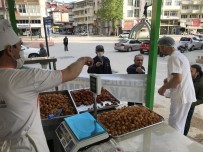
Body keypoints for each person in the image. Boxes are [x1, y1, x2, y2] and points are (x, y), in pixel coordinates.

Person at [0, 19, 93, 152]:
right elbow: (69, 73)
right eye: (19, 47)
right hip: (28, 147)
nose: (21, 51)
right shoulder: (25, 78)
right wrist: (82, 60)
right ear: (9, 50)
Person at [157, 36, 196, 134]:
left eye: (161, 47)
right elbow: (180, 75)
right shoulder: (180, 55)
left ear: (165, 46)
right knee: (180, 123)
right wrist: (169, 79)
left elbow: (178, 79)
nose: (160, 50)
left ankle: (173, 146)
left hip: (181, 95)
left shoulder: (173, 57)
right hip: (186, 94)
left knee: (174, 124)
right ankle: (177, 145)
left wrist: (163, 88)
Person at [184, 64, 203, 136]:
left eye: (191, 71)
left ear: (197, 73)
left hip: (190, 106)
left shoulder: (201, 83)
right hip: (181, 103)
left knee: (186, 122)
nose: (189, 72)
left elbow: (201, 99)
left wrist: (190, 104)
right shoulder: (188, 78)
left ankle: (183, 136)